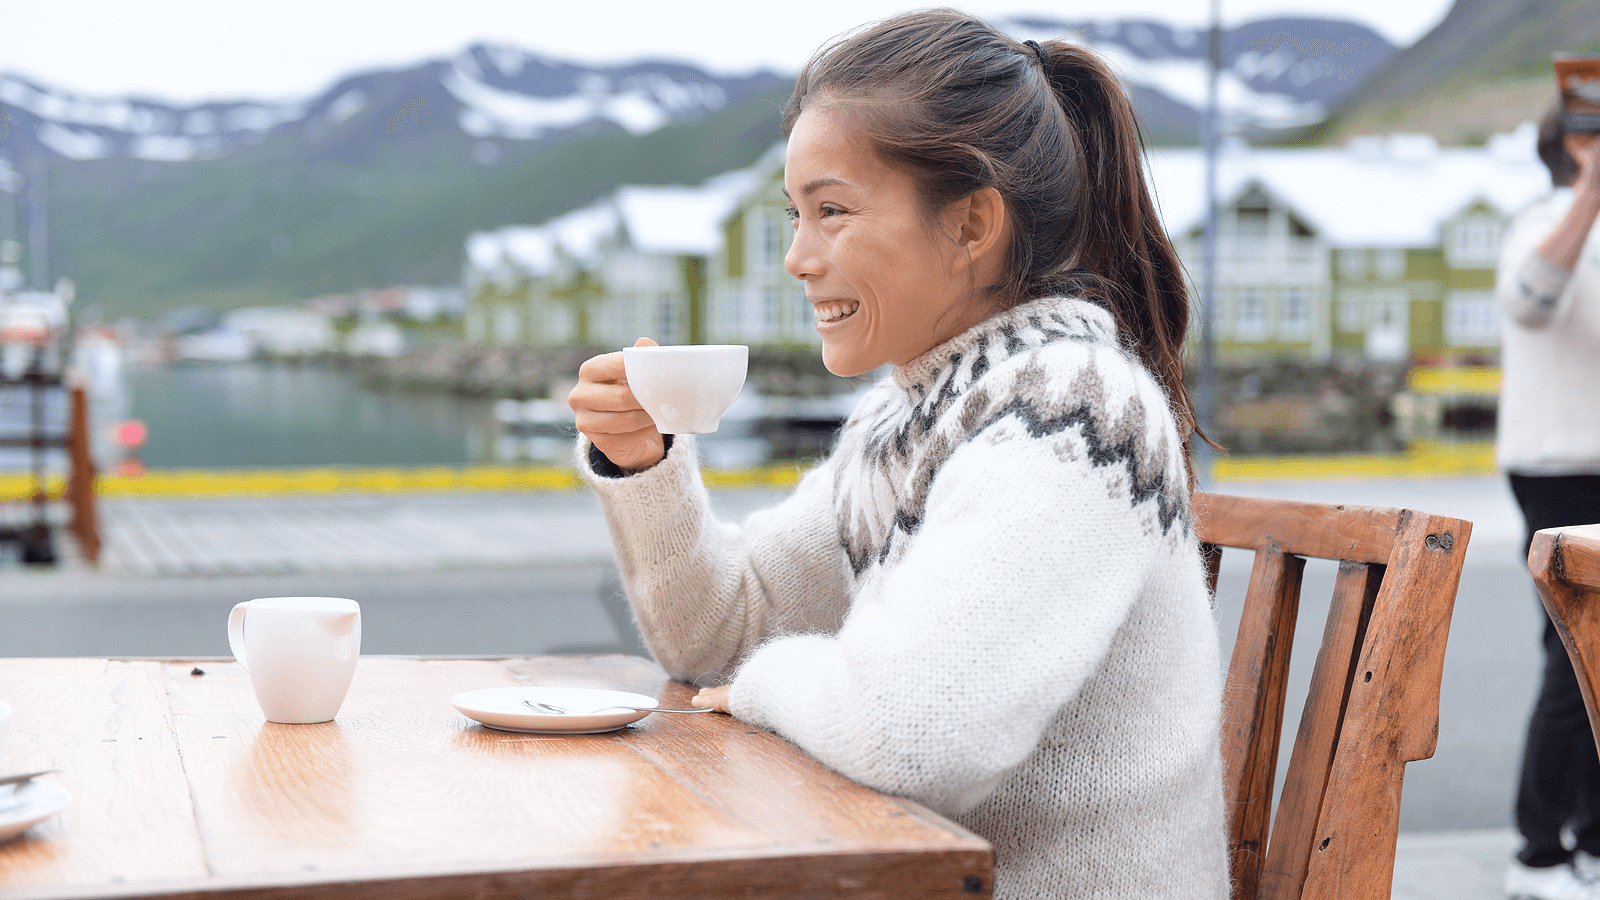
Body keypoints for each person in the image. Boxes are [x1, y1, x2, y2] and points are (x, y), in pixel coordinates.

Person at [566, 10, 1228, 898]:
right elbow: (718, 634)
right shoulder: (907, 417)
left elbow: (913, 737)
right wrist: (645, 464)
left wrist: (763, 689)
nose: (798, 258)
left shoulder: (1072, 415)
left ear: (971, 226)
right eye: (795, 216)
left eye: (832, 211)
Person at [1496, 101, 1600, 900]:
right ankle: (1537, 853)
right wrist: (1591, 190)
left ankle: (1591, 844)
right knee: (1576, 656)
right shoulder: (1539, 220)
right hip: (1561, 468)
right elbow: (1531, 299)